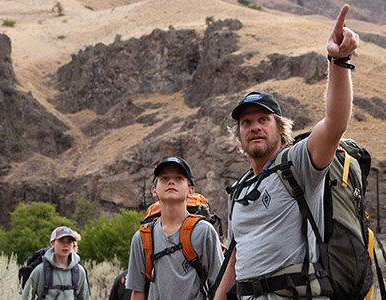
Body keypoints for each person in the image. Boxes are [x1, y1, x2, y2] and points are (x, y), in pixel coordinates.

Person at [214, 4, 359, 300]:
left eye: (263, 120)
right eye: (246, 122)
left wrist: (338, 60)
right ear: (238, 134)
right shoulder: (239, 191)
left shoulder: (299, 163)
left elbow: (334, 124)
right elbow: (237, 254)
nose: (254, 127)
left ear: (280, 129)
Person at [126, 156, 224, 300]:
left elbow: (219, 287)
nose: (171, 182)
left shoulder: (203, 231)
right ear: (154, 190)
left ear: (191, 191)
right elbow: (137, 292)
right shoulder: (142, 237)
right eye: (164, 178)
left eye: (179, 178)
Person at [22, 226, 91, 300]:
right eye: (61, 241)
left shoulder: (80, 272)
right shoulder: (40, 270)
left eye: (69, 241)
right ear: (52, 243)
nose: (66, 245)